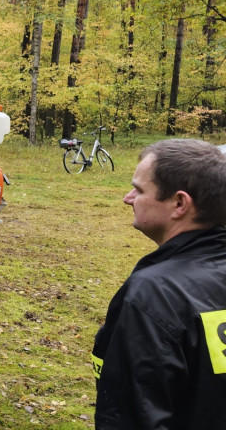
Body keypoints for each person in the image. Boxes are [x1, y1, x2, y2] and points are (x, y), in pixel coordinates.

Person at [91, 139, 226, 429]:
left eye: (139, 190)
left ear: (179, 204)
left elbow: (133, 416)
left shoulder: (154, 296)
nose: (128, 198)